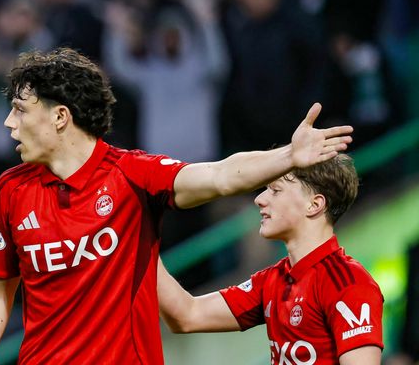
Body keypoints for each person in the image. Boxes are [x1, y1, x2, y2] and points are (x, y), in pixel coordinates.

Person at [0, 47, 354, 364]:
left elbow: (220, 176)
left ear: (60, 116)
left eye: (20, 110)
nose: (9, 123)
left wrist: (288, 156)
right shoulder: (11, 190)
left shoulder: (133, 175)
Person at [156, 154, 383, 365]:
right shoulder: (272, 280)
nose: (259, 199)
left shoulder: (349, 283)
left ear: (314, 204)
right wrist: (141, 238)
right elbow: (187, 315)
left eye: (275, 190)